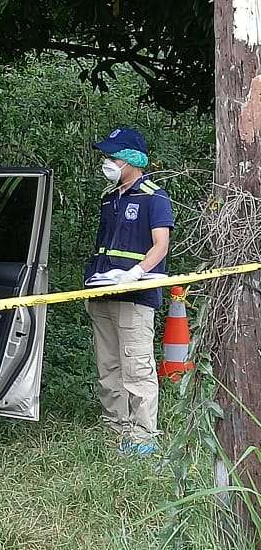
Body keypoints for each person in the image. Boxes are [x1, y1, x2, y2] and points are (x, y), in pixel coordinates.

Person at [83, 127, 173, 456]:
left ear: (132, 160)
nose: (106, 162)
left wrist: (135, 274)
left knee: (137, 367)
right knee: (108, 367)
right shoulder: (110, 197)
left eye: (113, 157)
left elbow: (161, 245)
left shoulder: (153, 195)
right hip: (102, 293)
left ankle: (143, 437)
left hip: (134, 297)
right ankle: (114, 428)